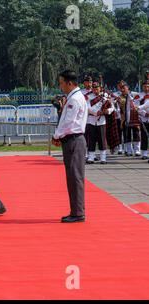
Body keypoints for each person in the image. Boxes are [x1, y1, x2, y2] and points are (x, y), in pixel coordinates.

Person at [52, 70, 88, 223]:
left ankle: (78, 212)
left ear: (70, 83)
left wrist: (56, 135)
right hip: (72, 140)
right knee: (73, 177)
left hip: (73, 140)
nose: (60, 86)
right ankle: (76, 210)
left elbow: (68, 122)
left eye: (61, 83)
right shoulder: (74, 97)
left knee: (75, 178)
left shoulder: (74, 99)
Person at [85, 81, 115, 164]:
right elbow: (87, 107)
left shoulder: (105, 97)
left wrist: (106, 111)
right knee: (91, 140)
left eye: (97, 88)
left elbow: (112, 107)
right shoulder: (88, 97)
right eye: (94, 88)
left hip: (101, 121)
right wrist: (96, 112)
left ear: (100, 89)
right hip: (91, 120)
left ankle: (103, 158)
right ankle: (91, 157)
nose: (95, 90)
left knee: (102, 140)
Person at [118, 81, 141, 157]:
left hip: (134, 116)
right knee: (126, 134)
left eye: (124, 88)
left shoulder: (134, 94)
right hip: (125, 117)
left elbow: (138, 104)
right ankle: (129, 150)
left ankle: (137, 150)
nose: (123, 90)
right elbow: (119, 109)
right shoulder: (120, 97)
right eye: (121, 88)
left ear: (127, 88)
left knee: (136, 133)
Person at [137, 80, 149, 161]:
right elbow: (137, 107)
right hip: (144, 118)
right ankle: (144, 153)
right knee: (144, 136)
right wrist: (144, 114)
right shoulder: (139, 96)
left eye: (148, 86)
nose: (147, 88)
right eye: (145, 86)